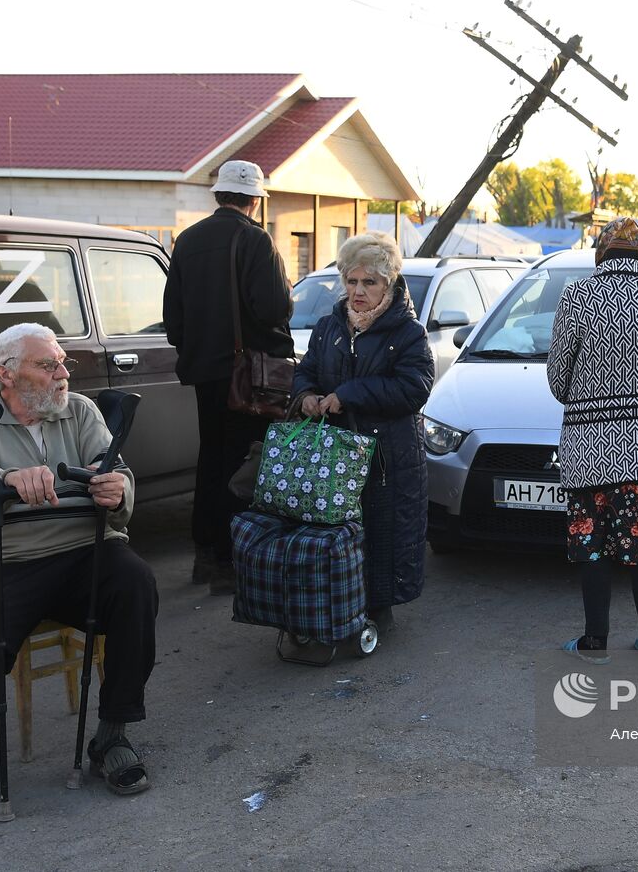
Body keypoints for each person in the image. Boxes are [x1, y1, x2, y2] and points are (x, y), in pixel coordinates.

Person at [0, 323, 158, 819]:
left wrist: (118, 491)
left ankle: (112, 737)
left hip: (84, 548)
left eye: (61, 364)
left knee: (135, 582)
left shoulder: (80, 411)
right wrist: (6, 479)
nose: (61, 375)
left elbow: (116, 470)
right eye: (46, 365)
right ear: (5, 375)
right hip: (7, 558)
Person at [546, 216, 638, 664]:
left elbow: (557, 378)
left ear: (601, 252)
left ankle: (595, 644)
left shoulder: (578, 295)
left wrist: (588, 396)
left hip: (591, 450)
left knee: (594, 545)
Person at [292, 232, 435, 631]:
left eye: (369, 282)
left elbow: (414, 389)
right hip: (333, 454)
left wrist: (349, 394)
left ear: (388, 283)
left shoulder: (408, 333)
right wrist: (305, 393)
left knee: (382, 533)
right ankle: (335, 603)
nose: (358, 291)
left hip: (386, 456)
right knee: (337, 532)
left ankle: (377, 610)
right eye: (352, 281)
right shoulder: (328, 327)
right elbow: (305, 370)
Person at [163, 160, 293, 594]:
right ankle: (233, 559)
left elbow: (173, 320)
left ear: (218, 194)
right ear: (255, 199)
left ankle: (206, 557)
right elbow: (275, 310)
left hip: (205, 374)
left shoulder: (187, 240)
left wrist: (198, 351)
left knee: (211, 458)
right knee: (244, 463)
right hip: (248, 378)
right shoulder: (255, 240)